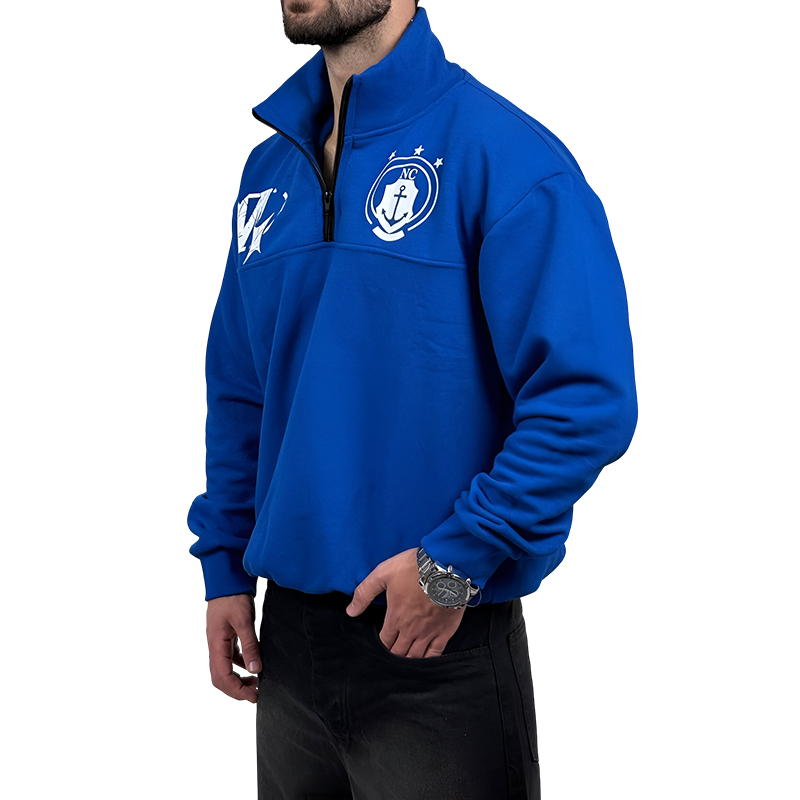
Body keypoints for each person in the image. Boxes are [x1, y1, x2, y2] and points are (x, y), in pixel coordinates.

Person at [187, 1, 637, 797]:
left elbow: (585, 400)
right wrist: (224, 566)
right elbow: (241, 390)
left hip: (436, 646)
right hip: (288, 647)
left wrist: (452, 566)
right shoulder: (270, 173)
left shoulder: (505, 157)